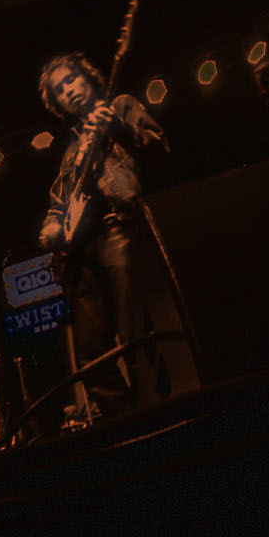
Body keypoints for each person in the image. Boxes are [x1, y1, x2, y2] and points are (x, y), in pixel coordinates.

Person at [36, 52, 168, 421]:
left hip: (117, 228)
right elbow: (58, 207)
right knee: (90, 356)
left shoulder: (120, 106)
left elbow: (159, 148)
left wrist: (119, 129)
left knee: (134, 333)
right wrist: (50, 229)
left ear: (88, 78)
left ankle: (157, 411)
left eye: (71, 80)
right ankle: (127, 422)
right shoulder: (69, 155)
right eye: (59, 90)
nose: (68, 90)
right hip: (81, 252)